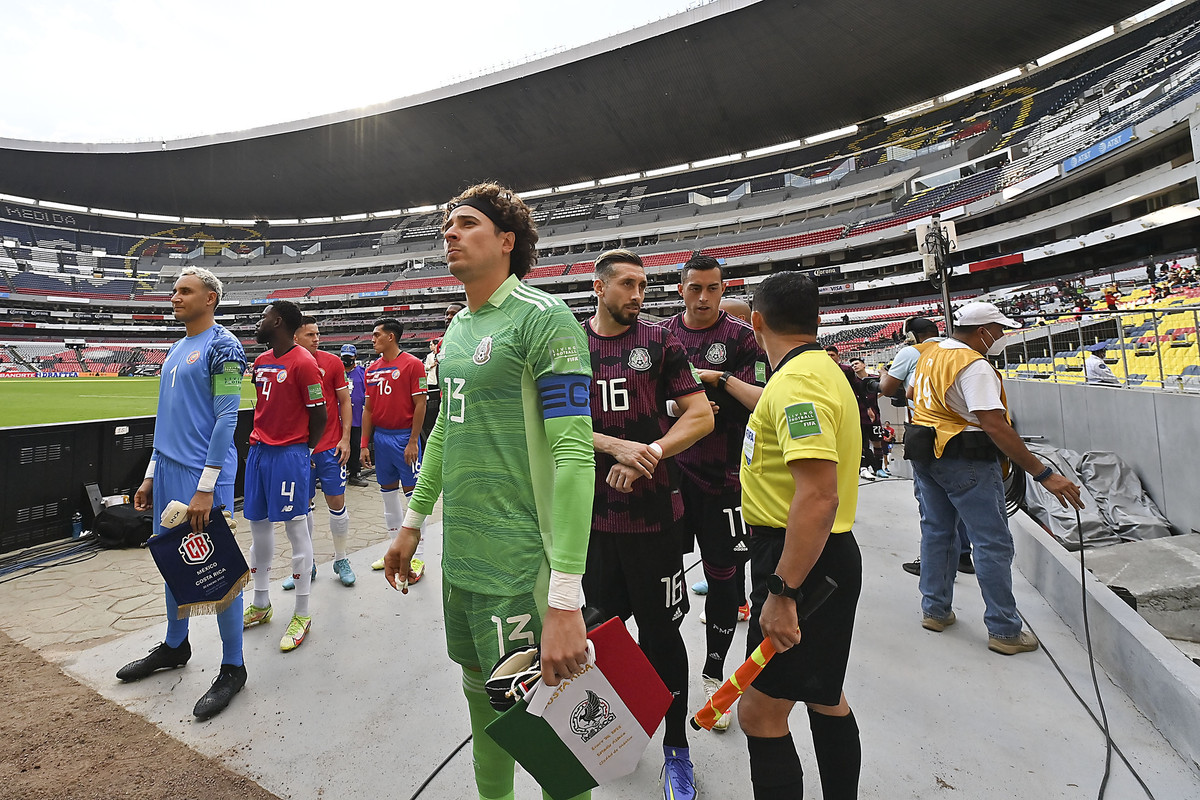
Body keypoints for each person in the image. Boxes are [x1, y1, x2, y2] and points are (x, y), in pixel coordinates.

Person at [382, 182, 595, 800]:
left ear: (507, 241)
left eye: (466, 224)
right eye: (446, 226)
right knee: (484, 706)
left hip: (524, 566)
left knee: (550, 727)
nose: (449, 234)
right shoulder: (455, 331)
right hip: (464, 560)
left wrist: (564, 596)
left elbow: (575, 455)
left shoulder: (543, 319)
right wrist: (413, 523)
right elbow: (446, 434)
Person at [586, 248, 713, 798]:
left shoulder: (662, 342)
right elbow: (555, 424)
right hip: (589, 521)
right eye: (628, 285)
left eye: (644, 285)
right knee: (598, 636)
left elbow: (702, 414)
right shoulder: (571, 345)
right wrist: (616, 450)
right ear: (599, 286)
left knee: (662, 637)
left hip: (657, 520)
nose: (639, 295)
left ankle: (676, 750)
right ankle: (608, 735)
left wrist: (652, 453)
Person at [737, 272, 863, 800]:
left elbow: (817, 496)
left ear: (755, 320)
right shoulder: (814, 370)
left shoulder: (798, 384)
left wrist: (783, 592)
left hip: (803, 564)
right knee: (824, 694)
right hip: (819, 557)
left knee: (759, 712)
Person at [908, 302, 1083, 654]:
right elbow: (994, 423)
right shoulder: (974, 365)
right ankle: (1004, 630)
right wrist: (1043, 473)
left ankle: (935, 610)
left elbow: (912, 394)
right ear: (982, 331)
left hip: (927, 453)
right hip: (965, 459)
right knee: (992, 542)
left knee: (938, 532)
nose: (1000, 337)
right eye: (998, 330)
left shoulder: (930, 353)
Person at [118, 266, 249, 720]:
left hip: (203, 477)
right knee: (173, 561)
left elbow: (227, 418)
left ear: (210, 298)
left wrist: (207, 487)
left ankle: (234, 665)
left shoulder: (224, 346)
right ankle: (176, 646)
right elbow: (166, 418)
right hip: (170, 472)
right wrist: (152, 473)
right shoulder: (175, 348)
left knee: (219, 569)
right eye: (174, 290)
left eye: (185, 291)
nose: (174, 297)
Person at [663, 254, 766, 732]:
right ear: (680, 289)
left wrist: (717, 379)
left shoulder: (743, 338)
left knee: (725, 578)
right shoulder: (661, 336)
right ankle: (661, 676)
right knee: (660, 580)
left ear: (723, 290)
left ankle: (713, 675)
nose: (703, 298)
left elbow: (760, 400)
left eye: (713, 289)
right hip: (670, 479)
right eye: (694, 288)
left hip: (726, 481)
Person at [242, 300, 327, 653]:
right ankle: (261, 603)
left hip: (290, 454)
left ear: (277, 321)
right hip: (259, 453)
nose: (258, 322)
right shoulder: (260, 362)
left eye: (263, 317)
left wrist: (302, 452)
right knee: (258, 528)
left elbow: (318, 415)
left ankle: (303, 613)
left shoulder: (305, 363)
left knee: (296, 529)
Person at [878, 316, 974, 577]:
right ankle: (964, 556)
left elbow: (890, 389)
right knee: (960, 502)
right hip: (961, 434)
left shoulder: (912, 352)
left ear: (912, 336)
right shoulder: (954, 349)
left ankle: (933, 564)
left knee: (932, 509)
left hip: (926, 434)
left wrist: (884, 373)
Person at [284, 316, 356, 589]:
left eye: (317, 333)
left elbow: (345, 401)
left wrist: (346, 438)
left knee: (336, 502)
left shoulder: (332, 362)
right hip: (299, 448)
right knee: (302, 507)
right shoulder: (288, 362)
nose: (316, 338)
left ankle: (341, 558)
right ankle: (307, 564)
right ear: (295, 338)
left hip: (330, 446)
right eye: (310, 334)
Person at [360, 318, 428, 575]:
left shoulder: (413, 364)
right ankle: (394, 550)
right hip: (382, 439)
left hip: (404, 438)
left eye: (377, 335)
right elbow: (368, 410)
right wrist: (364, 444)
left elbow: (420, 404)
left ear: (391, 337)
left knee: (413, 498)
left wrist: (413, 441)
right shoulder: (372, 370)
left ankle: (418, 556)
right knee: (388, 496)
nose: (373, 339)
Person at [423, 301, 465, 445]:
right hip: (445, 400)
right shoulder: (442, 343)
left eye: (453, 314)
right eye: (447, 314)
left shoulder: (473, 338)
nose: (448, 317)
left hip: (467, 401)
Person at [848, 357, 887, 478]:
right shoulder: (852, 381)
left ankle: (879, 468)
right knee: (862, 444)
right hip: (859, 416)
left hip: (874, 415)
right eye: (852, 365)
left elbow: (884, 389)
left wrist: (876, 398)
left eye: (857, 363)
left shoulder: (873, 378)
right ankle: (864, 468)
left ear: (864, 365)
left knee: (877, 442)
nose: (854, 366)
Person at [342, 345, 369, 487]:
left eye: (349, 357)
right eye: (344, 357)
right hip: (340, 417)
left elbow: (367, 392)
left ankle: (354, 473)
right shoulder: (338, 371)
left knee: (355, 445)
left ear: (355, 357)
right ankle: (337, 474)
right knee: (338, 446)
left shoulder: (361, 372)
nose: (346, 360)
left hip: (357, 416)